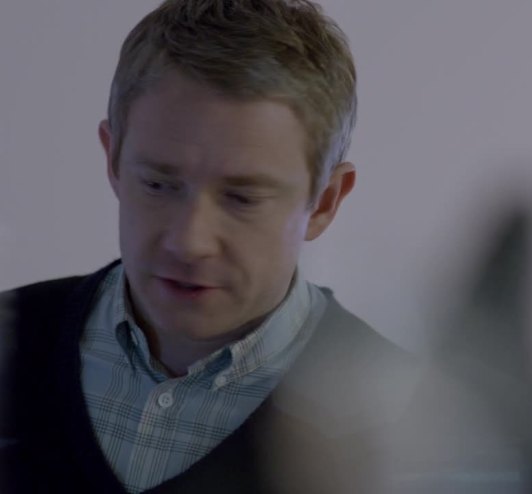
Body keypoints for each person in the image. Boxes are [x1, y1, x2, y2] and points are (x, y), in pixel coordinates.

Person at [0, 1, 414, 492]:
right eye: (158, 184)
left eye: (242, 198)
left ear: (324, 202)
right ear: (113, 160)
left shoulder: (412, 427)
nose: (189, 242)